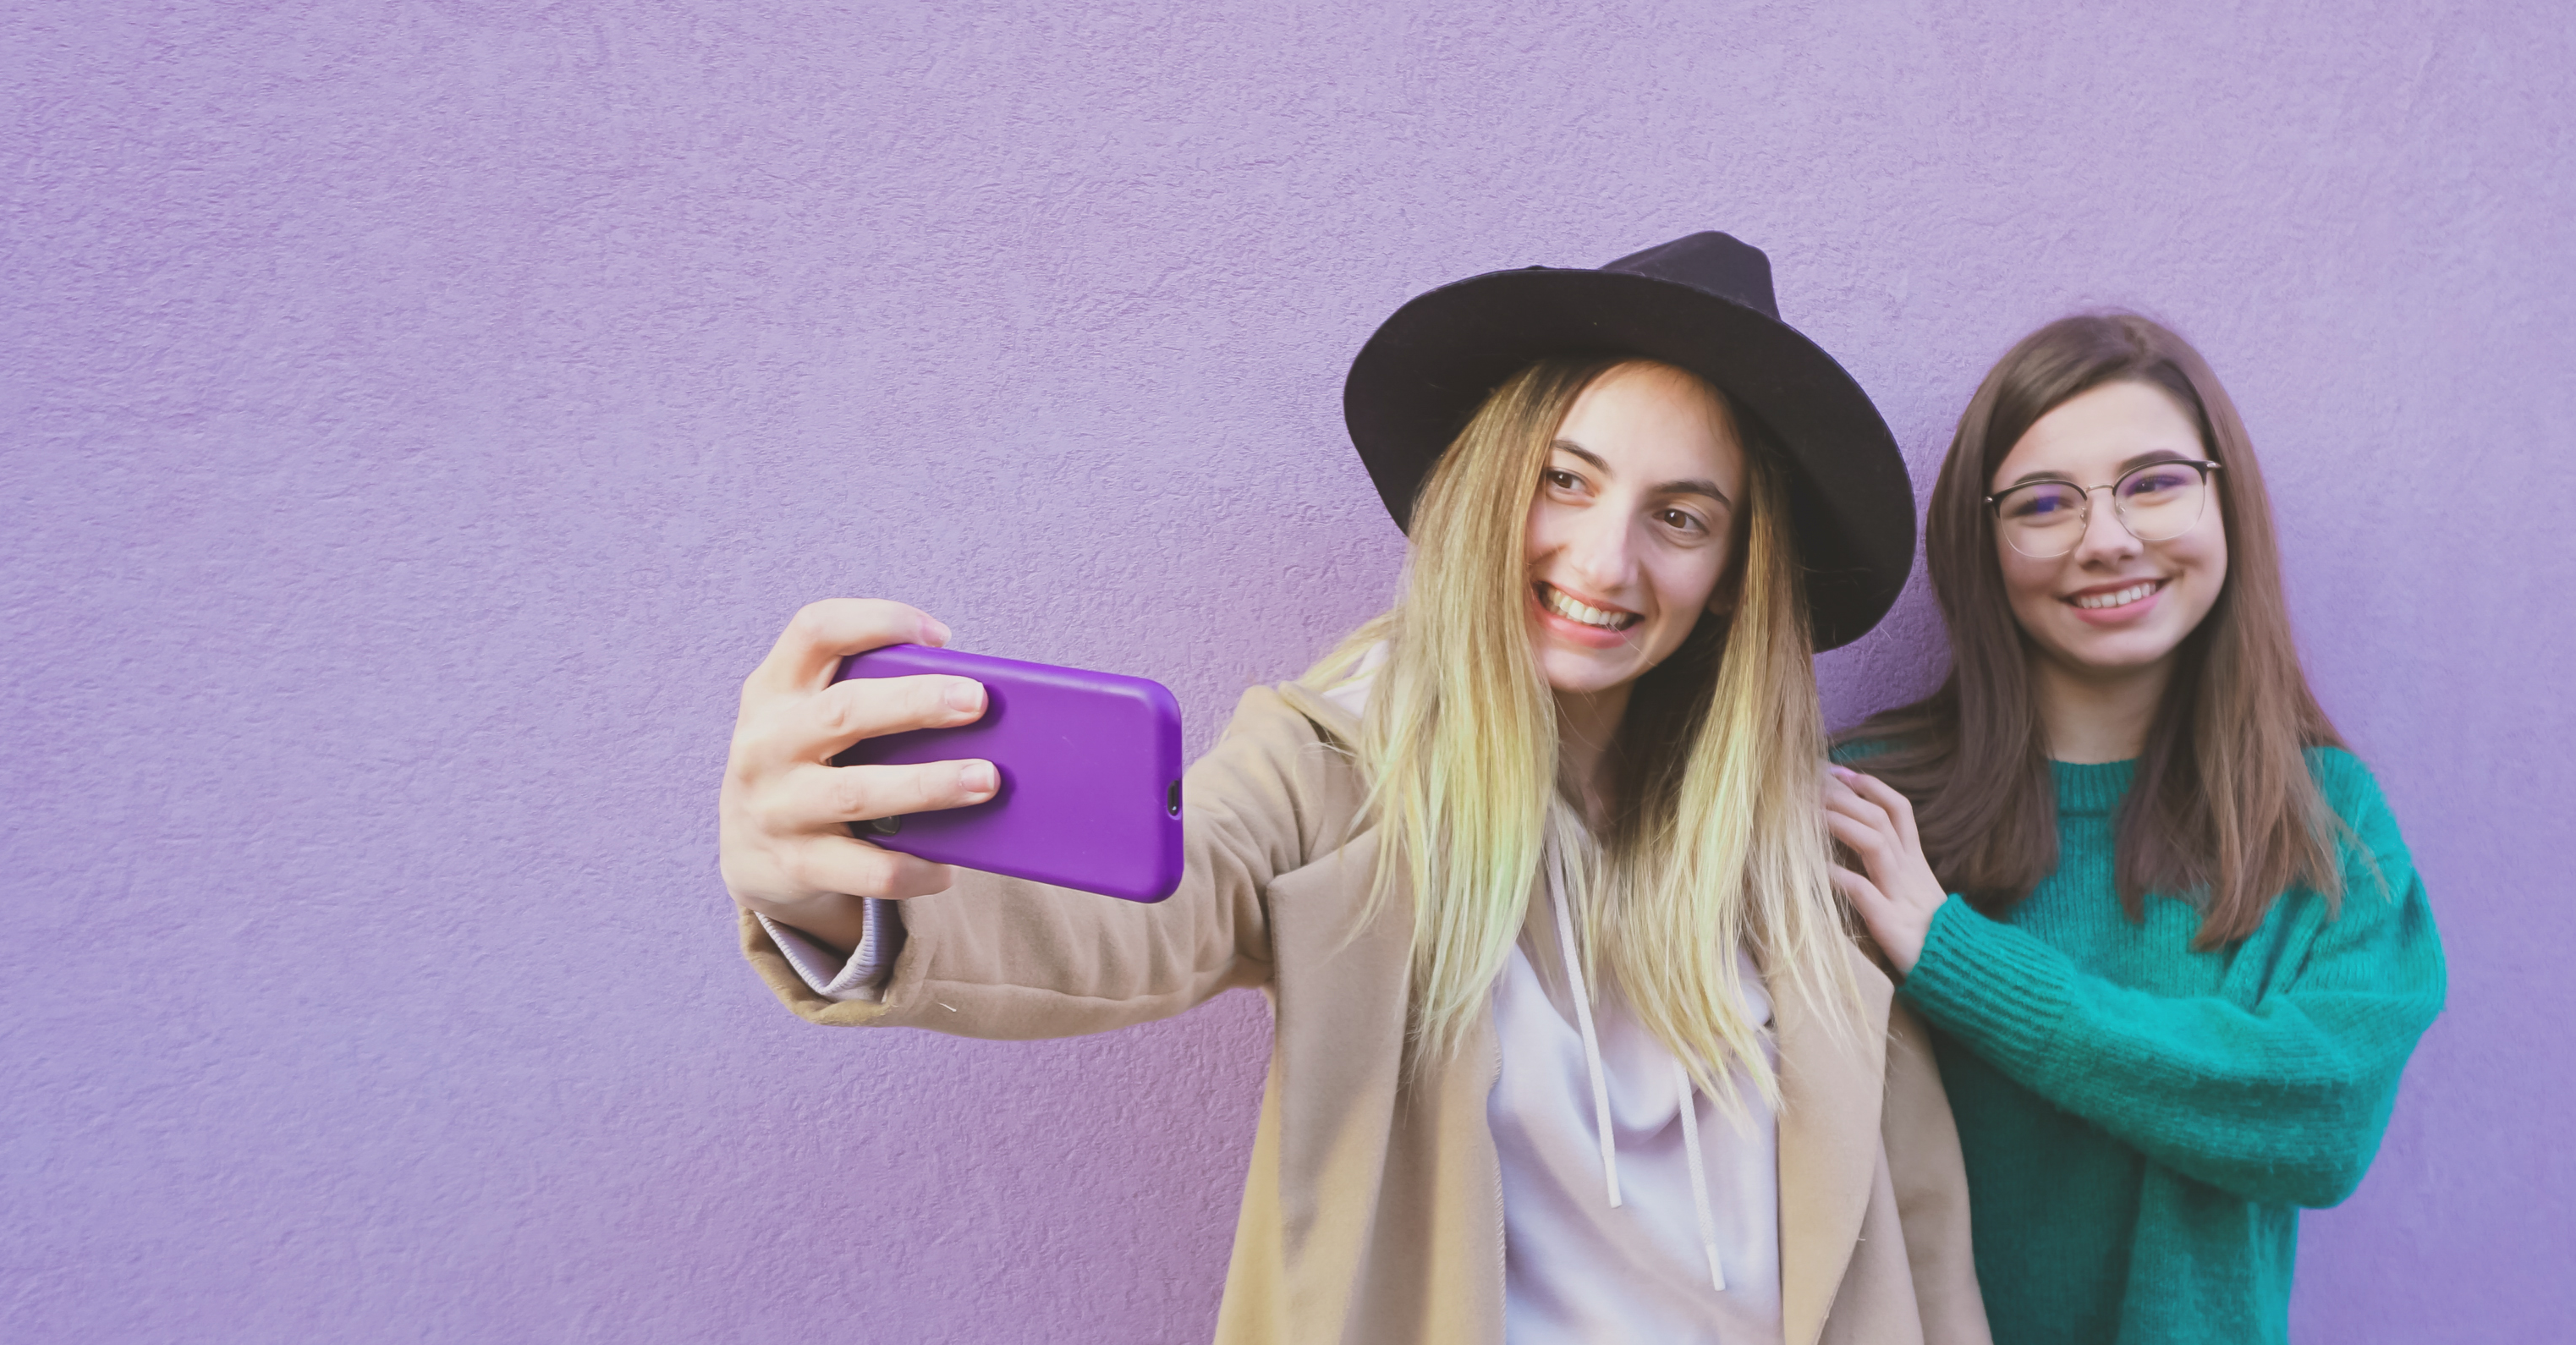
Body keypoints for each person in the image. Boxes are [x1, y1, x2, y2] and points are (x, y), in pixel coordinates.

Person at [720, 234, 1993, 1345]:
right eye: (1565, 476)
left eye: (1681, 514)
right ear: (1489, 481)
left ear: (1732, 570)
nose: (1604, 556)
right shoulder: (1339, 765)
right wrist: (840, 894)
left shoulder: (1805, 856)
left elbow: (1920, 1251)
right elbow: (1152, 899)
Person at [1819, 313, 2447, 1345]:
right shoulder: (1873, 811)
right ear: (1983, 545)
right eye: (2043, 502)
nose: (2106, 537)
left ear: (2223, 498)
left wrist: (1959, 961)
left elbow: (2320, 1121)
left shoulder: (2321, 820)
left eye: (2154, 482)